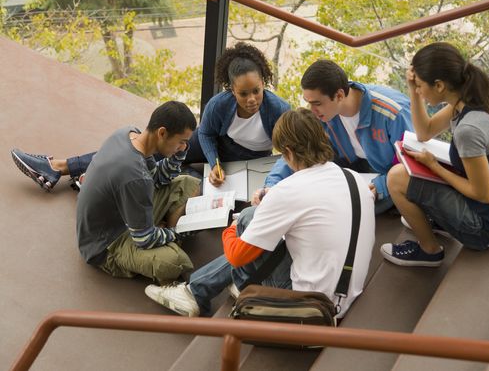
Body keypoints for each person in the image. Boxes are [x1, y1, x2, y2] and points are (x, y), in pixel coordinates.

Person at [144, 108, 375, 318]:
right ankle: (194, 291)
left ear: (288, 152)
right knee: (268, 232)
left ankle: (213, 290)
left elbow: (236, 256)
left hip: (306, 305)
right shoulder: (352, 178)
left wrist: (234, 227)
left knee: (247, 218)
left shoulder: (290, 190)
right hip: (345, 295)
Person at [10, 42, 290, 191]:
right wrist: (214, 161)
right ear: (231, 90)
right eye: (243, 94)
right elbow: (204, 133)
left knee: (184, 178)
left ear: (264, 82)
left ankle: (90, 179)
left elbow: (289, 149)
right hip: (215, 149)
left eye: (257, 90)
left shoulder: (278, 110)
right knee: (148, 148)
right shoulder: (220, 104)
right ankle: (59, 167)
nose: (252, 99)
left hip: (247, 164)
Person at [380, 42, 489, 267]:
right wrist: (413, 92)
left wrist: (434, 166)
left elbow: (484, 194)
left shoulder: (469, 129)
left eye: (419, 85)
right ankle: (440, 219)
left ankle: (429, 252)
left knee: (396, 177)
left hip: (486, 230)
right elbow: (425, 132)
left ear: (438, 85)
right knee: (418, 166)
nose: (418, 90)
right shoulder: (475, 99)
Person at [252, 59, 413, 215]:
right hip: (351, 176)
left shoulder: (393, 113)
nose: (312, 110)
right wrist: (271, 187)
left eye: (317, 103)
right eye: (309, 103)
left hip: (386, 179)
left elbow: (412, 165)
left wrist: (382, 185)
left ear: (340, 95)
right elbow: (295, 148)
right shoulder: (324, 114)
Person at [77, 101, 201, 283]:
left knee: (188, 183)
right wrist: (176, 233)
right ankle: (165, 240)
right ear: (162, 133)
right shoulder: (136, 177)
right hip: (105, 244)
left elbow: (158, 178)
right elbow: (144, 239)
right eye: (182, 142)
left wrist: (179, 153)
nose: (184, 147)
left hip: (123, 215)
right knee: (177, 262)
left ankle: (160, 234)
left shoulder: (128, 134)